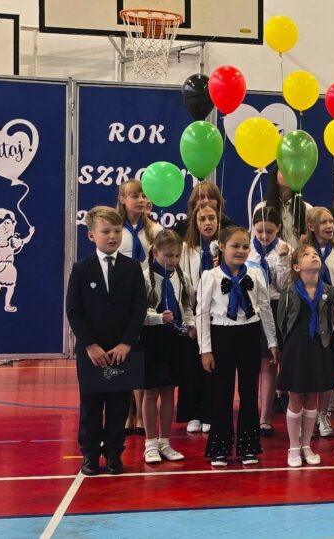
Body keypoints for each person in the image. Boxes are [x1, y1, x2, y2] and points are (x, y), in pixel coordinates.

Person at [66, 206, 147, 475]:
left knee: (118, 405)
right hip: (92, 352)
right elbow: (74, 310)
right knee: (90, 405)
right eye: (106, 231)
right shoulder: (81, 269)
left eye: (117, 231)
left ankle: (113, 453)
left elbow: (139, 307)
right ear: (91, 235)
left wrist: (126, 343)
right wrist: (90, 345)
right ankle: (90, 455)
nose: (112, 236)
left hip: (122, 351)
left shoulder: (132, 268)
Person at [196, 226, 279, 467]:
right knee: (221, 393)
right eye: (235, 246)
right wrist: (205, 349)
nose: (241, 251)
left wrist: (272, 340)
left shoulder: (255, 274)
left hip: (249, 334)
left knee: (249, 392)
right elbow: (202, 314)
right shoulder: (210, 276)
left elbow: (265, 308)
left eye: (245, 246)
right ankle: (219, 448)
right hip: (221, 335)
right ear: (222, 247)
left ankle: (248, 446)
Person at [276, 245, 334, 467]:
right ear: (296, 267)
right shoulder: (289, 291)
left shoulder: (329, 291)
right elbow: (282, 322)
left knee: (313, 397)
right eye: (306, 254)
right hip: (296, 347)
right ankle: (293, 446)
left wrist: (325, 340)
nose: (313, 256)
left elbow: (331, 321)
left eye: (315, 253)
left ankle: (306, 445)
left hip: (318, 346)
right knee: (295, 397)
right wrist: (284, 348)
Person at [141, 229, 192, 464]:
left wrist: (190, 324)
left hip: (175, 340)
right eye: (168, 255)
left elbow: (187, 307)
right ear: (155, 251)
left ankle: (164, 441)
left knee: (169, 391)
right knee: (151, 392)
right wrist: (158, 318)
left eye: (177, 256)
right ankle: (150, 443)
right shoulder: (144, 277)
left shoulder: (182, 277)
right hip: (152, 339)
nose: (172, 260)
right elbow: (139, 312)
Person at [116, 180, 163, 436]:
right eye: (135, 196)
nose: (141, 200)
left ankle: (142, 413)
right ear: (122, 199)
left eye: (144, 195)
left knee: (142, 355)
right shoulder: (115, 229)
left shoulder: (155, 229)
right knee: (125, 354)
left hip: (146, 296)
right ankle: (126, 411)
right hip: (121, 297)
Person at [302, 207, 334, 435]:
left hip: (333, 317)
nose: (329, 226)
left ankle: (323, 415)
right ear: (311, 226)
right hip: (310, 316)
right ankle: (306, 415)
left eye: (331, 222)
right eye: (323, 222)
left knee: (328, 367)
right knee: (309, 367)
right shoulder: (302, 253)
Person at [249, 207, 293, 437]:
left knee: (269, 363)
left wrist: (284, 260)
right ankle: (249, 412)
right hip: (250, 308)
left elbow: (283, 285)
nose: (264, 236)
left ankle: (265, 417)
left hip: (276, 307)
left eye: (270, 231)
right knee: (250, 364)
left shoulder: (285, 249)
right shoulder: (246, 249)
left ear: (279, 229)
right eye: (259, 231)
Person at [178, 203, 219, 433]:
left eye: (212, 218)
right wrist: (190, 320)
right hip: (193, 311)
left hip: (217, 312)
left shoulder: (222, 247)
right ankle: (192, 413)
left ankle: (210, 412)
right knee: (190, 366)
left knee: (212, 365)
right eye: (202, 219)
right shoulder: (186, 249)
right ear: (195, 222)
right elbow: (183, 286)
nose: (208, 223)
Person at [264, 162, 313, 246]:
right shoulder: (262, 208)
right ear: (275, 176)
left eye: (292, 172)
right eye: (284, 171)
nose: (288, 174)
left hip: (299, 254)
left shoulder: (307, 209)